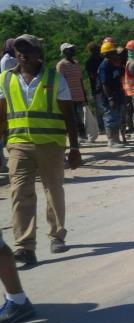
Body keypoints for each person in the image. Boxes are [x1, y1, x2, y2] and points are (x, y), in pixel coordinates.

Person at [0, 34, 81, 267]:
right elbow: (1, 116)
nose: (22, 53)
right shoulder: (5, 79)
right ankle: (25, 246)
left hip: (50, 144)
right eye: (18, 49)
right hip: (18, 145)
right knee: (19, 194)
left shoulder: (55, 79)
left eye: (27, 49)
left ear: (39, 53)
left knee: (53, 190)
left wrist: (74, 148)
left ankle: (56, 235)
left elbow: (69, 116)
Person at [56, 43, 89, 141]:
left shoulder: (76, 63)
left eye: (72, 49)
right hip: (68, 96)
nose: (73, 50)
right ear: (64, 52)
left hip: (78, 94)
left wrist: (84, 95)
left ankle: (81, 135)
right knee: (73, 116)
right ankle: (77, 136)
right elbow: (60, 81)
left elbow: (80, 80)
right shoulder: (61, 65)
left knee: (79, 116)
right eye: (70, 49)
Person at [97, 40, 127, 147]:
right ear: (107, 54)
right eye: (113, 52)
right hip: (108, 96)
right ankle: (112, 140)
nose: (115, 54)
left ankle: (116, 139)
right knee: (110, 118)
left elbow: (121, 76)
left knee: (117, 117)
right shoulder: (104, 66)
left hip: (118, 94)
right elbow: (104, 84)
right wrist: (110, 98)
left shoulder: (114, 64)